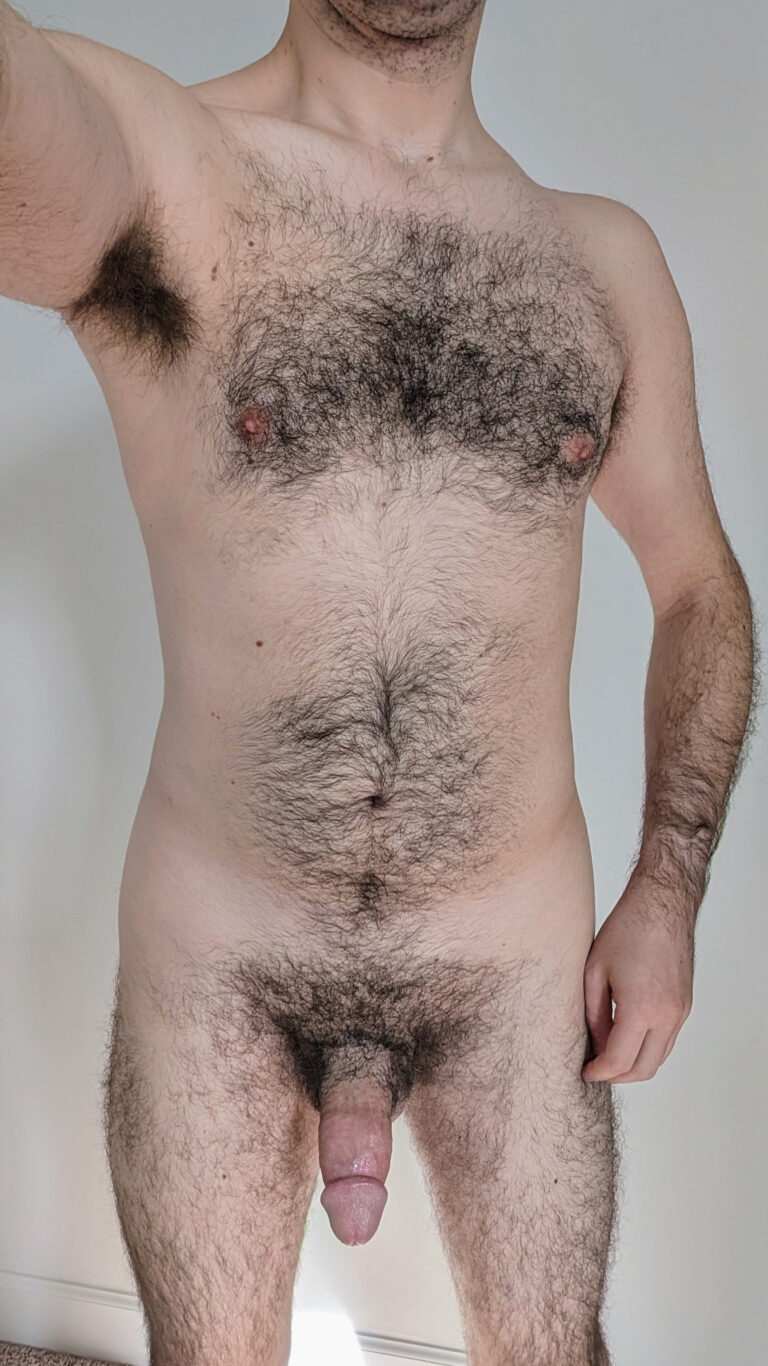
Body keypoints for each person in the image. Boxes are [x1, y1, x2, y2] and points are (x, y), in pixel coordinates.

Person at [0, 2, 759, 1363]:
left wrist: (671, 881)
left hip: (508, 958)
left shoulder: (601, 262)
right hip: (225, 950)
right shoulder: (176, 170)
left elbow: (700, 585)